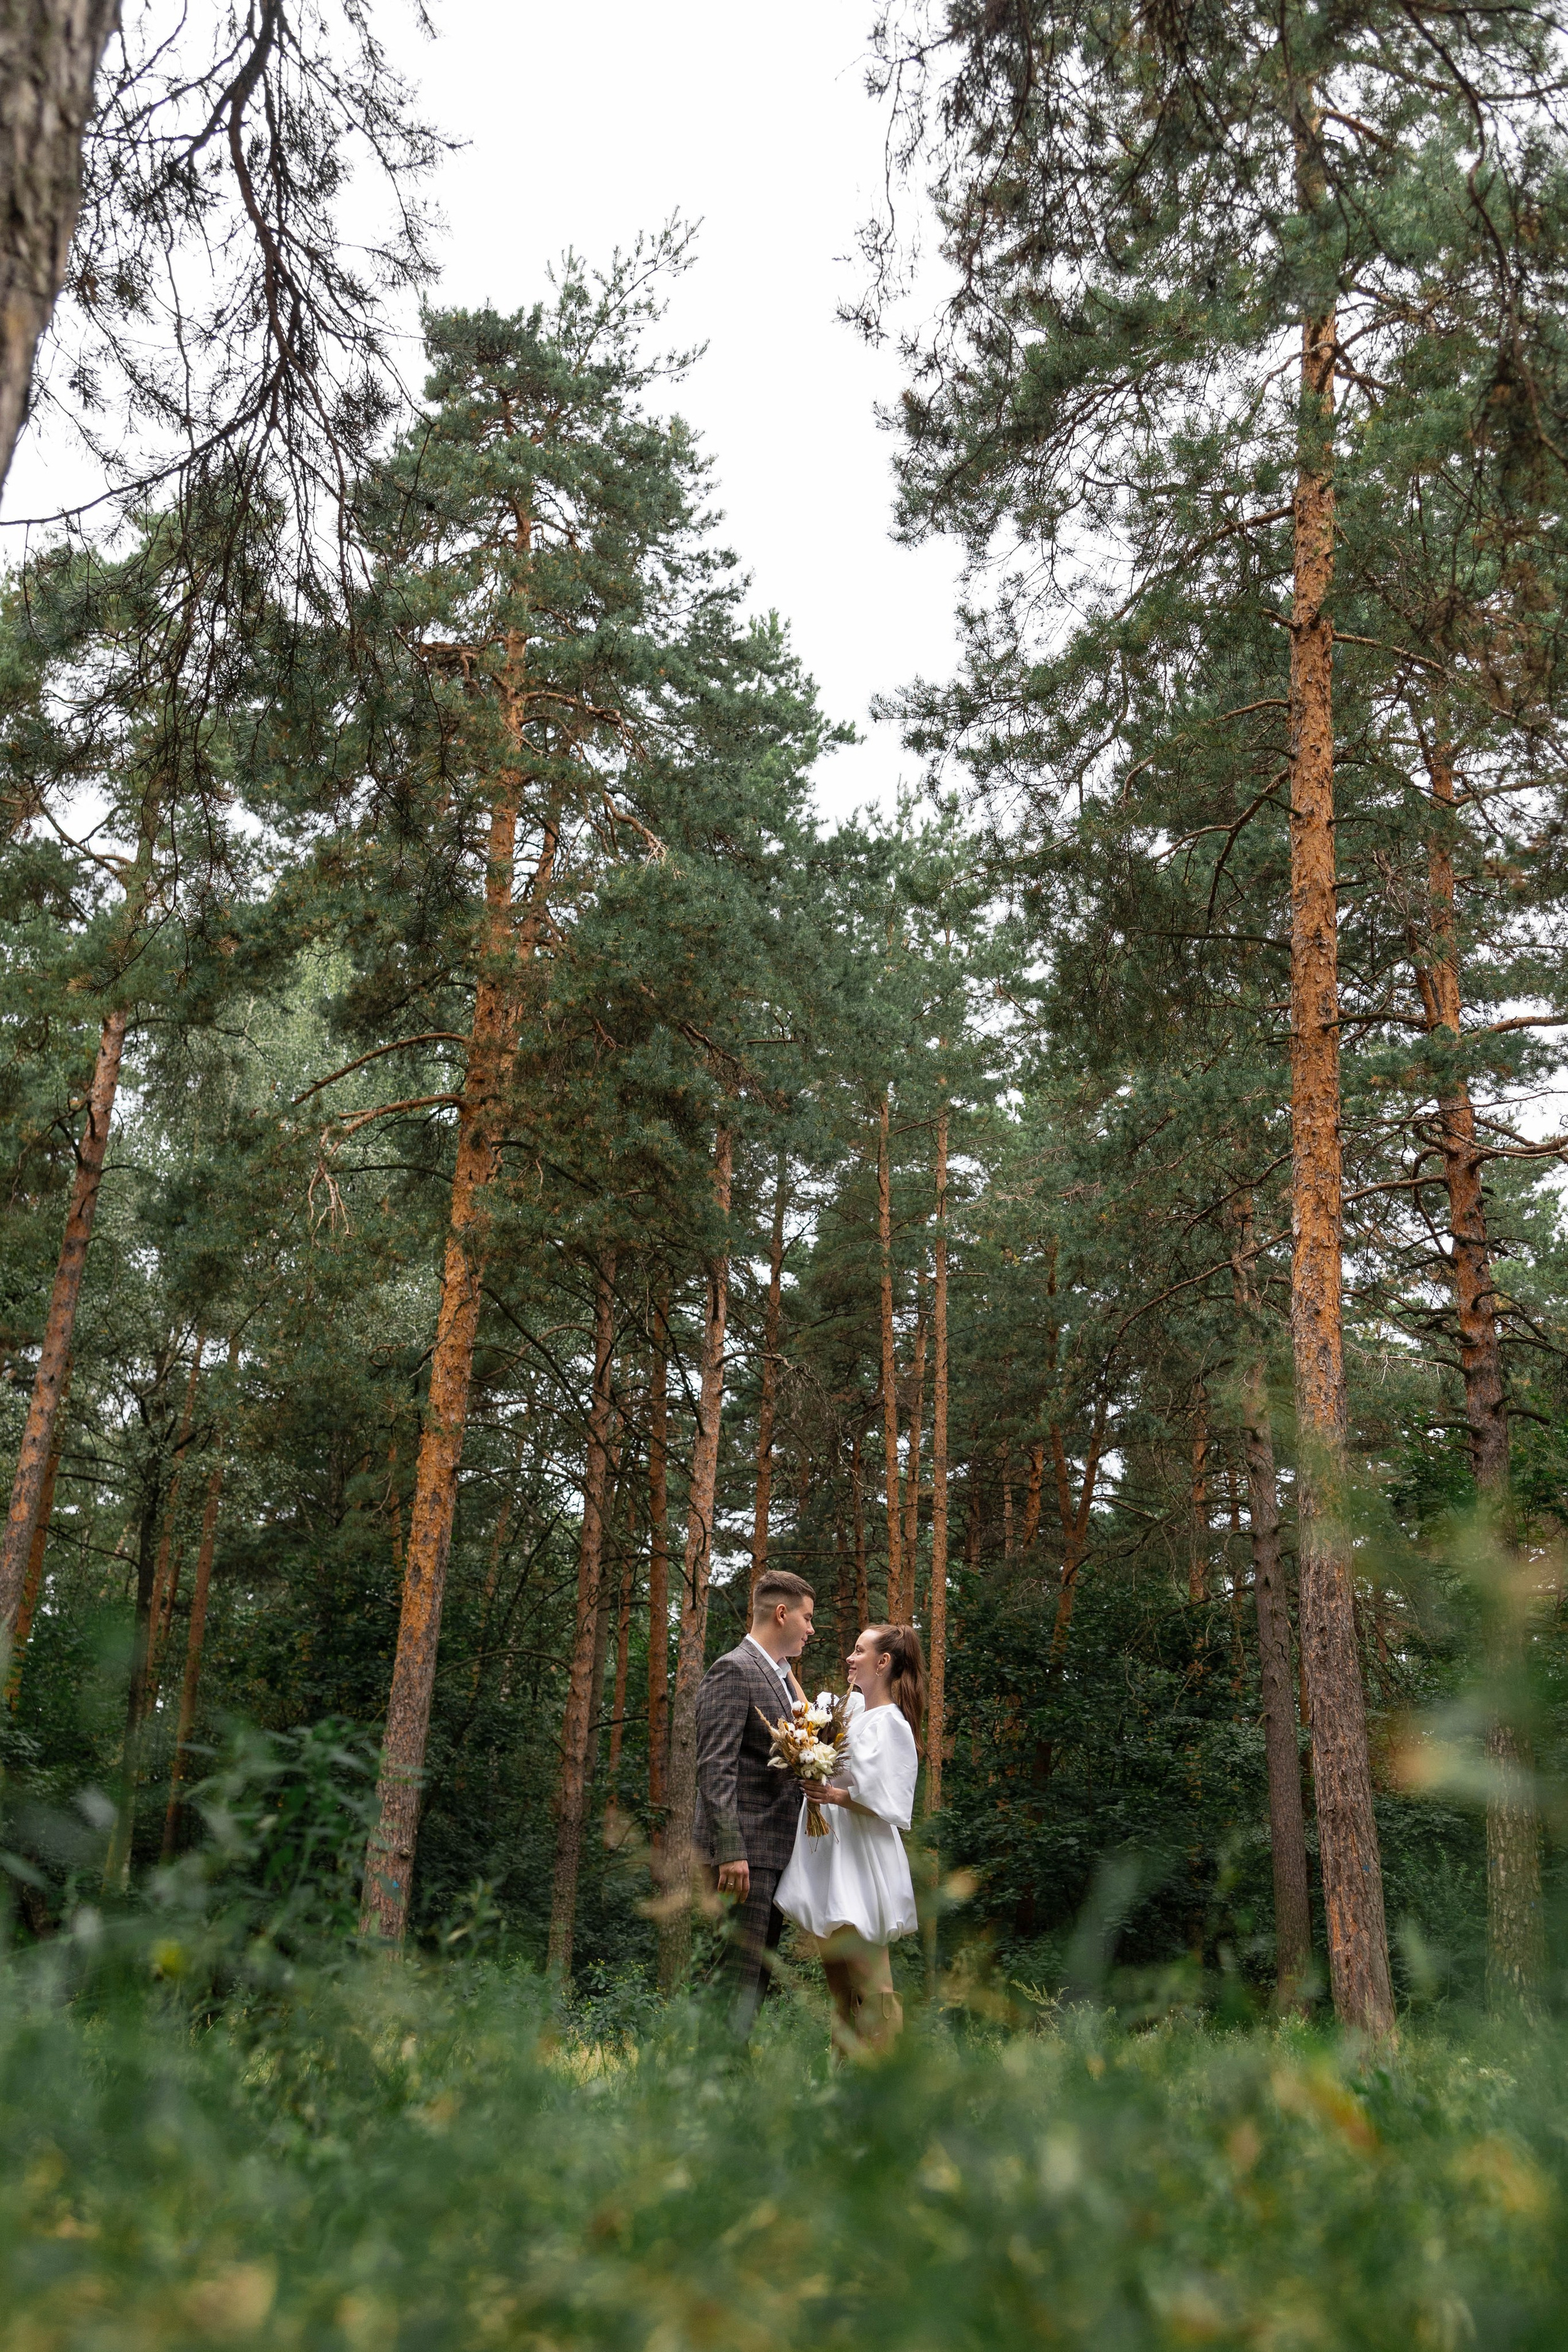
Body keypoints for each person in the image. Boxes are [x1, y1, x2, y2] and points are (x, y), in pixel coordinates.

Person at [776, 1622, 924, 2056]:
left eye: (859, 1651)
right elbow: (812, 1718)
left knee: (873, 1983)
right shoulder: (856, 1709)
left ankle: (889, 2087)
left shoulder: (891, 1724)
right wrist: (784, 1669)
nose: (849, 1657)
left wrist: (835, 1795)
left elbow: (893, 1801)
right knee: (840, 1988)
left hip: (860, 1858)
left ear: (883, 1663)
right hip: (831, 1854)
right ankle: (844, 2093)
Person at [692, 1568, 816, 2035]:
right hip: (743, 1858)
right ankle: (712, 2085)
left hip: (771, 1855)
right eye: (806, 1618)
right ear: (781, 1614)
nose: (811, 1629)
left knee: (753, 1984)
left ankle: (727, 2085)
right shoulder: (734, 1669)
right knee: (735, 1980)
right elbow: (714, 1766)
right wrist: (732, 1851)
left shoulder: (782, 1680)